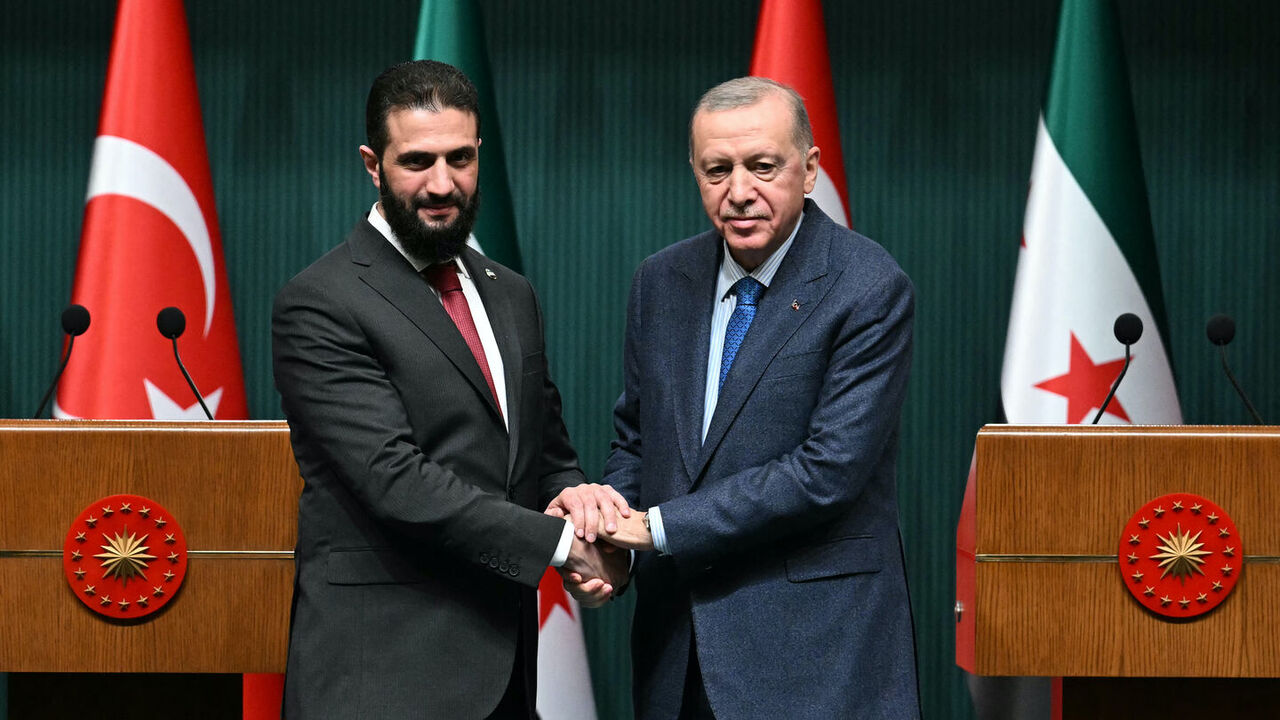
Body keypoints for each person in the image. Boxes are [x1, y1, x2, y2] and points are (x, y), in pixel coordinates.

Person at [555, 77, 921, 719]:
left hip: (816, 658)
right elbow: (639, 441)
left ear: (809, 170)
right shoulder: (660, 281)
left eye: (763, 166)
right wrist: (609, 546)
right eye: (717, 170)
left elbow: (826, 472)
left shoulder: (868, 286)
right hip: (678, 656)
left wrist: (654, 529)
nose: (740, 191)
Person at [272, 60, 623, 720]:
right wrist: (558, 546)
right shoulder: (320, 301)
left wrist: (580, 505)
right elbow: (395, 480)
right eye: (417, 161)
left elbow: (543, 453)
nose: (443, 184)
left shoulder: (508, 292)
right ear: (372, 165)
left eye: (460, 158)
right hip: (381, 681)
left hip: (507, 675)